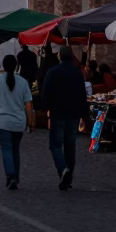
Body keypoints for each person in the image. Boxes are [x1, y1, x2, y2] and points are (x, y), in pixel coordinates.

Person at [40, 45, 89, 190]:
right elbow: (82, 95)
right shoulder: (77, 73)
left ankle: (63, 170)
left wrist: (44, 108)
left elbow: (46, 92)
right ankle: (69, 175)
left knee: (55, 144)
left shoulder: (52, 72)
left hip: (57, 113)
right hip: (73, 114)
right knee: (70, 145)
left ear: (59, 56)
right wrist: (85, 115)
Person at [0, 54, 35, 190]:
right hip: (19, 121)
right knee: (15, 149)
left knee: (6, 149)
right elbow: (28, 104)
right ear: (16, 66)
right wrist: (30, 120)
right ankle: (16, 177)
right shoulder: (23, 82)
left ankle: (10, 175)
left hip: (2, 120)